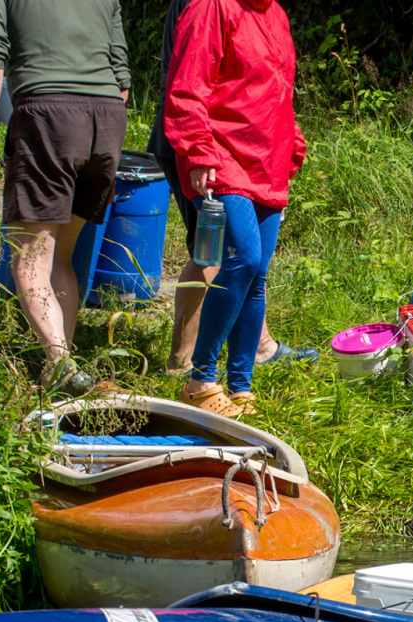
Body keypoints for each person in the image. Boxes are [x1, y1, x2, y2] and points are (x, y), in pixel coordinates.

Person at [0, 0, 130, 395]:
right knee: (60, 257)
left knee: (30, 258)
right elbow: (121, 72)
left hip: (48, 115)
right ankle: (63, 376)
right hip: (107, 118)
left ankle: (59, 362)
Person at [146, 0, 315, 378]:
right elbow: (186, 87)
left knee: (256, 275)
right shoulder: (212, 6)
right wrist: (197, 148)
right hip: (221, 157)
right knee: (239, 259)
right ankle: (199, 375)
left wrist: (291, 145)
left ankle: (241, 386)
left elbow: (277, 91)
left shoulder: (276, 14)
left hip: (266, 164)